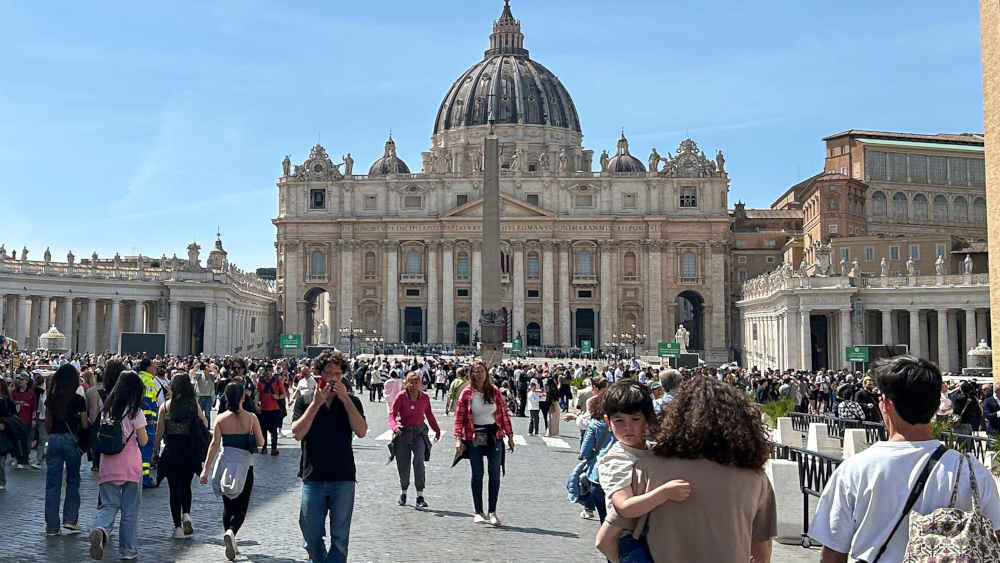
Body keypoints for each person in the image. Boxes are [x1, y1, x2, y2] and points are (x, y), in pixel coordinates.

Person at [810, 356, 1000, 562]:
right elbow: (995, 538)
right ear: (937, 404)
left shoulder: (855, 470)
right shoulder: (972, 471)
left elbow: (832, 554)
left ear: (886, 403)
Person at [599, 376, 776, 563]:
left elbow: (605, 540)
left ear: (677, 418)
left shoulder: (646, 469)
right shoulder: (756, 479)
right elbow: (762, 553)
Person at [593, 379, 691, 562]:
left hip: (653, 533)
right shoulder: (616, 460)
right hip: (630, 540)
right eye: (619, 420)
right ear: (608, 421)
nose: (627, 427)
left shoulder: (653, 450)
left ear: (648, 419)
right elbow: (624, 507)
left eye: (635, 419)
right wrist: (665, 493)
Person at [291, 350, 367, 563]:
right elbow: (297, 433)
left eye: (337, 374)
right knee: (311, 534)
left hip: (343, 476)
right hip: (313, 476)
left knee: (340, 538)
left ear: (343, 375)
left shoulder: (352, 402)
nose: (333, 378)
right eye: (328, 373)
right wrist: (316, 404)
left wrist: (346, 400)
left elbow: (361, 431)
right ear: (319, 373)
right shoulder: (306, 400)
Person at [199, 382, 264, 561]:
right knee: (242, 507)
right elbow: (261, 442)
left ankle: (229, 534)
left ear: (226, 397)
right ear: (243, 396)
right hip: (245, 465)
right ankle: (232, 532)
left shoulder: (220, 418)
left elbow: (214, 445)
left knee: (228, 507)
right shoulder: (251, 418)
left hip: (225, 463)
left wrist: (205, 470)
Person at [89, 371, 149, 561]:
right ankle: (128, 550)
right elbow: (144, 440)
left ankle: (100, 529)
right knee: (130, 510)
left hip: (108, 463)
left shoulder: (106, 410)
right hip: (130, 465)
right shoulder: (135, 412)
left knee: (108, 505)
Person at [453, 361, 515, 526]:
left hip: (494, 435)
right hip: (474, 436)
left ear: (486, 373)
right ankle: (478, 511)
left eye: (481, 371)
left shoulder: (494, 391)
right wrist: (458, 439)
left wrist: (510, 436)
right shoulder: (466, 393)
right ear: (471, 374)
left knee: (494, 472)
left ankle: (492, 511)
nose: (479, 374)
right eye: (476, 371)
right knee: (477, 473)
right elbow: (459, 418)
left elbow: (504, 414)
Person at [154, 374, 209, 539]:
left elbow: (159, 433)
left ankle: (177, 528)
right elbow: (205, 423)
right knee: (186, 485)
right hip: (190, 452)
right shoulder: (193, 404)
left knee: (173, 490)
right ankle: (186, 515)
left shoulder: (165, 407)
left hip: (172, 452)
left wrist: (155, 452)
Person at [44, 364, 89, 536]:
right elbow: (84, 424)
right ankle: (70, 519)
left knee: (52, 484)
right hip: (71, 440)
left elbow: (47, 422)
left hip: (54, 439)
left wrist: (52, 434)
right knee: (73, 480)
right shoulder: (78, 400)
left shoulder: (51, 398)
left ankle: (52, 527)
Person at [390, 371, 441, 508]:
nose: (413, 385)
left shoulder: (424, 397)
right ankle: (403, 492)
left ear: (420, 384)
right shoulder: (401, 397)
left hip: (419, 433)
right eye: (411, 382)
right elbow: (392, 415)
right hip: (403, 433)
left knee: (419, 461)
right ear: (406, 383)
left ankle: (420, 495)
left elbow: (429, 415)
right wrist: (395, 427)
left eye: (416, 382)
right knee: (403, 464)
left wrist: (437, 430)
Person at [136, 358, 159, 487]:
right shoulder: (148, 381)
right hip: (147, 423)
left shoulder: (138, 378)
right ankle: (144, 477)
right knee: (146, 449)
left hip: (137, 420)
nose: (156, 369)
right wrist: (150, 418)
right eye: (154, 366)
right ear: (148, 368)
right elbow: (147, 403)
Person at [255, 365, 285, 456]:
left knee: (274, 430)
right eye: (267, 370)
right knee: (263, 430)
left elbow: (283, 394)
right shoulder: (261, 382)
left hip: (274, 409)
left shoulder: (277, 381)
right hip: (264, 409)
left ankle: (273, 449)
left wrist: (277, 397)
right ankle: (264, 448)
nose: (268, 372)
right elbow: (258, 394)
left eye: (270, 370)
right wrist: (256, 405)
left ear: (272, 371)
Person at [11, 372, 38, 469]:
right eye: (19, 379)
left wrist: (33, 419)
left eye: (21, 380)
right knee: (17, 440)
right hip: (16, 421)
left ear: (26, 381)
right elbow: (10, 404)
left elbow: (34, 407)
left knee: (25, 440)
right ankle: (18, 459)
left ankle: (25, 458)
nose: (19, 381)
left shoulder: (31, 393)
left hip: (27, 420)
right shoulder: (14, 392)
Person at [193, 363, 216, 428]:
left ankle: (207, 427)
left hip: (208, 397)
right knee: (199, 414)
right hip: (199, 397)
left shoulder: (211, 375)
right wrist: (196, 367)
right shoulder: (199, 374)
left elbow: (216, 373)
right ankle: (198, 427)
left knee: (207, 414)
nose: (205, 369)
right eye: (204, 367)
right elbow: (192, 374)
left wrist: (210, 367)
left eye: (206, 367)